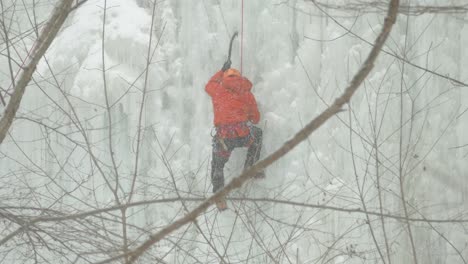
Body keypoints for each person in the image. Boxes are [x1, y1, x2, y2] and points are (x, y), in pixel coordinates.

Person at [205, 60, 264, 211]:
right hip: (243, 134)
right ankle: (250, 167)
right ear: (239, 77)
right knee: (257, 135)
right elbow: (255, 118)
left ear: (225, 77)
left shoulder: (218, 89)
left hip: (224, 138)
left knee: (218, 165)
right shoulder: (246, 91)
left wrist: (220, 70)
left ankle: (219, 197)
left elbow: (208, 85)